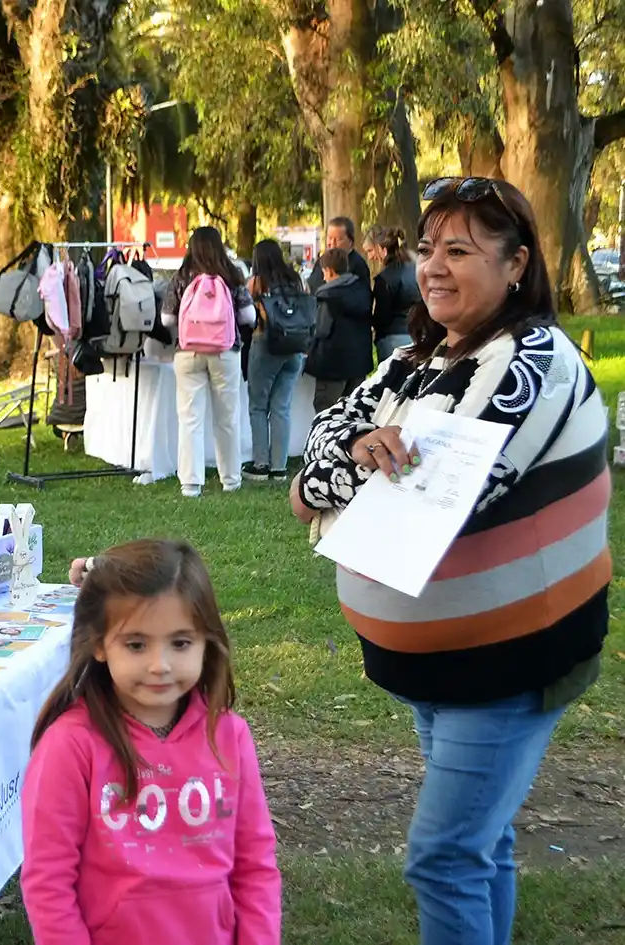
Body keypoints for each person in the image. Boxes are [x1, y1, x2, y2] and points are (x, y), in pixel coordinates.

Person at [289, 177, 609, 944]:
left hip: (505, 667)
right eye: (428, 247)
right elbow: (314, 458)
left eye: (459, 250)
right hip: (440, 669)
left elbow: (433, 508)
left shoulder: (533, 363)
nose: (433, 265)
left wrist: (346, 473)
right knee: (482, 842)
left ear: (517, 265)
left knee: (444, 857)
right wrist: (356, 460)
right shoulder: (416, 360)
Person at [22, 539, 280, 944]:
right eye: (136, 644)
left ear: (205, 642)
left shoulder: (230, 736)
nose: (159, 665)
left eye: (180, 643)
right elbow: (48, 882)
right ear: (99, 644)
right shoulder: (70, 747)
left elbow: (256, 866)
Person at [161, 226, 256, 496]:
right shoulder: (232, 275)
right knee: (227, 418)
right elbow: (249, 316)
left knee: (190, 418)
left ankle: (191, 483)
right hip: (226, 352)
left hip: (188, 352)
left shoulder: (181, 276)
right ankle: (231, 479)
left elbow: (166, 319)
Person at [242, 239, 310, 482]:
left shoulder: (256, 283)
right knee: (281, 407)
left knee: (258, 405)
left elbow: (247, 316)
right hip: (294, 348)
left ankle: (261, 464)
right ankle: (279, 467)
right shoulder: (297, 280)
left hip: (266, 344)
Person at [305, 247, 373, 413]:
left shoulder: (328, 296)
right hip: (358, 364)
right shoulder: (362, 291)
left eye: (323, 272)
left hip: (333, 366)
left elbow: (321, 331)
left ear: (329, 270)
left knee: (327, 412)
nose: (322, 277)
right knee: (352, 413)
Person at [363, 224, 420, 363]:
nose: (370, 257)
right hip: (417, 335)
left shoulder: (385, 279)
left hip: (393, 338)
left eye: (370, 251)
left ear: (382, 250)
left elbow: (382, 316)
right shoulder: (416, 270)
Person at [307, 216, 373, 292]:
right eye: (329, 238)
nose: (332, 243)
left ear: (350, 241)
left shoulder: (359, 265)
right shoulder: (321, 261)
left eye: (338, 239)